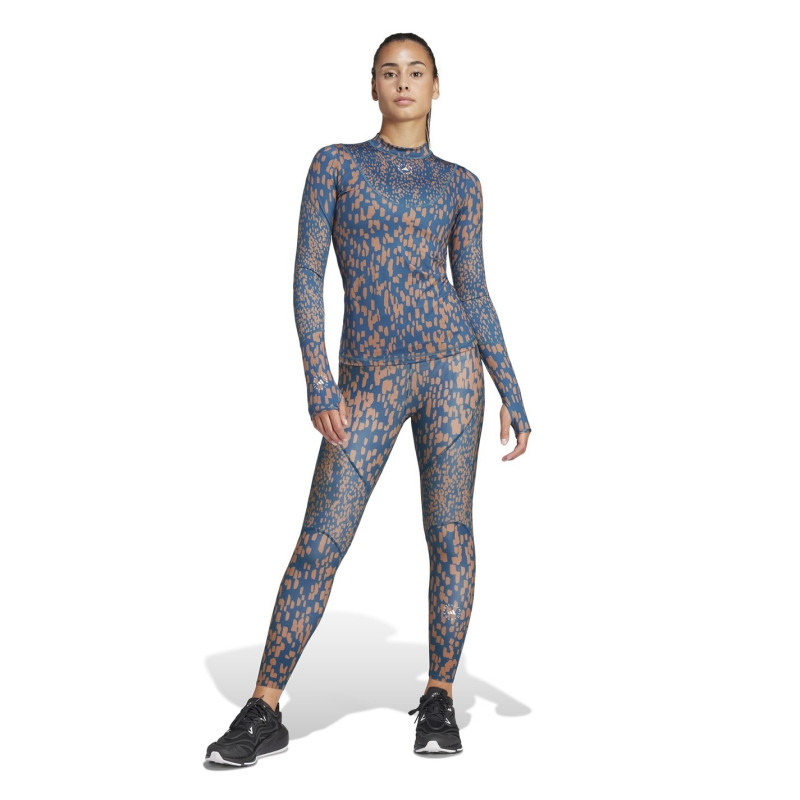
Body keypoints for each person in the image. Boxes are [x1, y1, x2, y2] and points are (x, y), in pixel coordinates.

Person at [205, 31, 531, 765]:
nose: (403, 83)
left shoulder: (461, 184)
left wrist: (510, 388)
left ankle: (439, 697)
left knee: (450, 534)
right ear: (373, 85)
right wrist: (318, 380)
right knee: (321, 539)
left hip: (453, 371)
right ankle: (263, 708)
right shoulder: (336, 165)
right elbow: (305, 275)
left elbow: (474, 289)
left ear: (437, 86)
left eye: (417, 72)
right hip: (367, 379)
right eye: (390, 72)